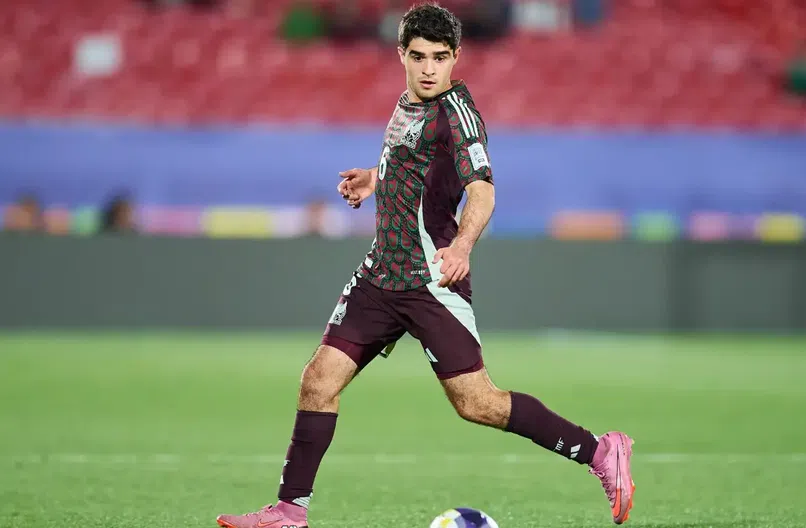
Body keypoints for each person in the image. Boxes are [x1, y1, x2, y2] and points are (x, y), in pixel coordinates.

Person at [215, 4, 635, 527]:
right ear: (402, 55)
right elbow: (414, 163)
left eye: (440, 57)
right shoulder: (410, 101)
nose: (430, 68)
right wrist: (376, 178)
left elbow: (482, 191)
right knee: (318, 381)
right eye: (419, 57)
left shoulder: (456, 115)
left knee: (477, 403)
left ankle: (600, 451)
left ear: (456, 57)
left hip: (429, 280)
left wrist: (461, 247)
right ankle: (288, 512)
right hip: (379, 276)